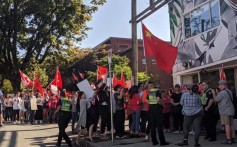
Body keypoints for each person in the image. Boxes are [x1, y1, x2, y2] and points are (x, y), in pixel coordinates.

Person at [145, 81, 169, 146]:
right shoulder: (157, 90)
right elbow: (158, 100)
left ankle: (154, 141)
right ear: (154, 85)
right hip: (157, 110)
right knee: (159, 126)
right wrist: (162, 104)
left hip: (151, 110)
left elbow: (146, 100)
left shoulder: (150, 92)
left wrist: (151, 103)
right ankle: (162, 142)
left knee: (153, 126)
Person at [214, 80, 236, 144]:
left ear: (222, 85)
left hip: (225, 111)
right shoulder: (229, 91)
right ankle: (233, 139)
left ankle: (228, 140)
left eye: (219, 85)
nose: (218, 86)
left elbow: (216, 100)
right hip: (231, 110)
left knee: (227, 125)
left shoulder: (222, 92)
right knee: (231, 124)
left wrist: (214, 93)